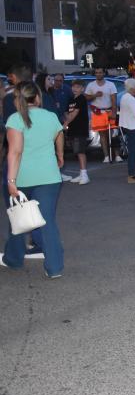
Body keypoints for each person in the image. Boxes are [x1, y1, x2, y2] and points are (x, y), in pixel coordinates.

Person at [1, 81, 65, 278]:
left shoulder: (15, 119)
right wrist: (60, 155)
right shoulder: (50, 116)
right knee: (47, 222)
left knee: (18, 218)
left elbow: (15, 152)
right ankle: (54, 268)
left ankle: (13, 259)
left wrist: (11, 181)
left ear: (18, 99)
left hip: (22, 177)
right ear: (37, 97)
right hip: (49, 176)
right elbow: (59, 134)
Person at [85, 67, 120, 163]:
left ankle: (117, 155)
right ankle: (106, 156)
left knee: (114, 134)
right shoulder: (91, 85)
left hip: (109, 110)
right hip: (97, 112)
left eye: (100, 72)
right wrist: (94, 95)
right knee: (102, 135)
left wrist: (114, 112)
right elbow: (86, 97)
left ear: (104, 73)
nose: (98, 74)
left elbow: (114, 99)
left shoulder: (110, 84)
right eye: (96, 72)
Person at [62, 80, 90, 185]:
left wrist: (66, 123)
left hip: (80, 129)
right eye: (73, 87)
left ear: (82, 89)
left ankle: (84, 174)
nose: (75, 89)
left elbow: (75, 112)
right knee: (76, 152)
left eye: (78, 87)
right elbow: (66, 111)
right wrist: (67, 119)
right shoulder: (71, 99)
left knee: (80, 151)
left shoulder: (81, 98)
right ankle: (81, 173)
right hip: (73, 129)